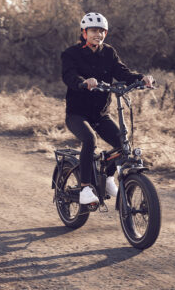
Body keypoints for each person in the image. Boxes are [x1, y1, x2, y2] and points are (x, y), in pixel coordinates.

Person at [61, 12, 154, 204]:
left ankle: (109, 176)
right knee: (89, 139)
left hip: (101, 114)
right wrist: (83, 82)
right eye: (94, 31)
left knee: (122, 143)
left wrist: (141, 79)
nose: (98, 35)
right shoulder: (71, 53)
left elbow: (123, 72)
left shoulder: (109, 52)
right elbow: (69, 76)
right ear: (84, 32)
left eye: (102, 31)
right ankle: (85, 188)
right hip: (77, 114)